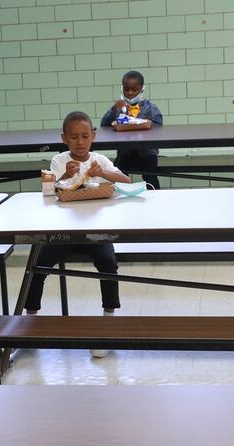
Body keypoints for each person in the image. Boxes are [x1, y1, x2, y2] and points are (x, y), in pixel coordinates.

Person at [25, 111, 131, 359]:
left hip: (95, 231)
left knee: (108, 264)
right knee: (37, 265)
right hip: (64, 232)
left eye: (85, 136)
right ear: (64, 138)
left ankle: (109, 321)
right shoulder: (59, 161)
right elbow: (48, 193)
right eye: (74, 137)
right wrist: (64, 176)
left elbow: (126, 181)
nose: (80, 142)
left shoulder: (100, 160)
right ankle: (30, 322)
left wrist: (103, 174)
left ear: (93, 136)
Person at [101, 70, 164, 189]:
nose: (130, 93)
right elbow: (104, 125)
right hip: (125, 151)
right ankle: (121, 193)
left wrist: (138, 124)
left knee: (150, 174)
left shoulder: (151, 108)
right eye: (126, 89)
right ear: (122, 89)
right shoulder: (119, 108)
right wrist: (114, 110)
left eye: (134, 90)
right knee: (119, 171)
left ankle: (154, 194)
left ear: (142, 89)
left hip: (147, 151)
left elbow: (158, 127)